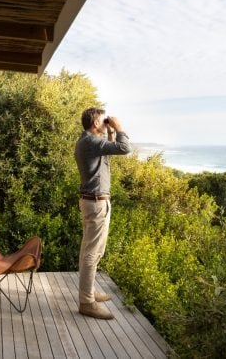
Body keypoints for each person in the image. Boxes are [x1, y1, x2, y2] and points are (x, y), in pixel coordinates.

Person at [74, 107, 131, 319]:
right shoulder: (90, 142)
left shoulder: (89, 142)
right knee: (91, 252)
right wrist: (119, 127)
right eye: (102, 121)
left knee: (93, 251)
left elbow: (110, 151)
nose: (105, 123)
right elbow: (124, 148)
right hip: (96, 203)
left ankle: (88, 292)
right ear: (95, 123)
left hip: (95, 202)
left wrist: (109, 132)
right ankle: (86, 302)